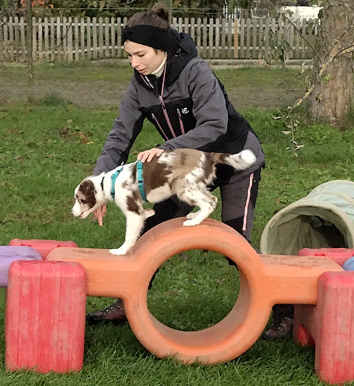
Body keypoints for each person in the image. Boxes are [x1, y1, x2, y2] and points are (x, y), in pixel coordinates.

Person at [84, 4, 291, 339]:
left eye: (140, 54)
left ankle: (286, 310)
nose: (134, 63)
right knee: (150, 228)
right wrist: (98, 187)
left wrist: (167, 148)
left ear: (160, 49)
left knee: (237, 243)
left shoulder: (195, 72)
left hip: (235, 161)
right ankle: (126, 301)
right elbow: (119, 137)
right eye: (129, 56)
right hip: (185, 171)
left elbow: (215, 124)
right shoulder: (139, 86)